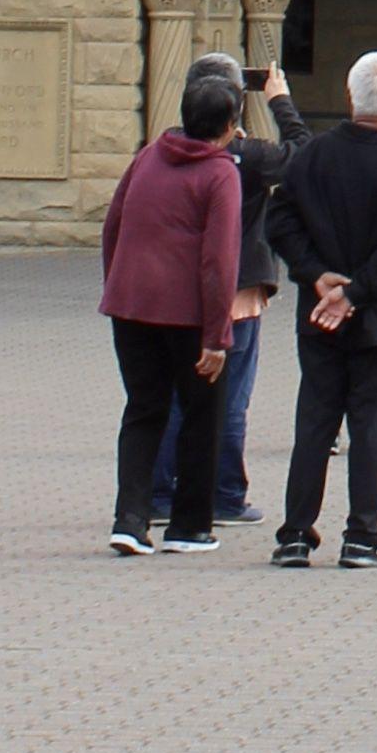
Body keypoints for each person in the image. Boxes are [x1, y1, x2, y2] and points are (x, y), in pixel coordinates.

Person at [267, 50, 377, 564]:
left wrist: (316, 275)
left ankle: (295, 534)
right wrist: (355, 292)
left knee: (315, 421)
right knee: (370, 425)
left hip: (318, 310)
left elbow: (280, 221)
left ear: (350, 95)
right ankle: (363, 536)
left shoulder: (313, 155)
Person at [99, 59, 245, 554]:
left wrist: (117, 284)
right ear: (230, 125)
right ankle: (189, 525)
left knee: (143, 410)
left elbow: (113, 225)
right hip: (188, 315)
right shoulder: (220, 173)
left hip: (130, 304)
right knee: (203, 415)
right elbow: (219, 260)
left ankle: (130, 519)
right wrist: (217, 336)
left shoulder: (147, 156)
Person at [146, 55, 288, 539]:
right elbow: (304, 154)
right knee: (229, 401)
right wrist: (280, 100)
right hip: (235, 293)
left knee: (172, 396)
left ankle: (159, 493)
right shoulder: (248, 156)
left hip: (173, 294)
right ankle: (225, 494)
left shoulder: (162, 151)